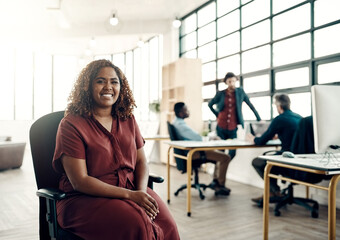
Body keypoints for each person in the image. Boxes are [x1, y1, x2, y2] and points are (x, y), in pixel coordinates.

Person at [52, 59, 180, 240]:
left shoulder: (128, 118)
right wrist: (130, 195)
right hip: (84, 198)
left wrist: (141, 193)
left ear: (121, 87)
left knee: (168, 225)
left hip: (132, 188)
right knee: (138, 225)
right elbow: (80, 181)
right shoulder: (71, 124)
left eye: (114, 82)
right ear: (87, 86)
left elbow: (142, 161)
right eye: (100, 81)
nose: (108, 87)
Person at [246, 94, 302, 204]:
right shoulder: (299, 118)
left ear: (279, 106)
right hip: (300, 159)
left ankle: (275, 191)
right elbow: (293, 136)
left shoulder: (279, 119)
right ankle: (271, 193)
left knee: (258, 162)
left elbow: (261, 141)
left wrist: (252, 138)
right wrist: (279, 135)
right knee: (270, 162)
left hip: (287, 159)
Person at [172, 102, 232, 195]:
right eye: (186, 110)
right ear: (180, 113)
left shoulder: (176, 122)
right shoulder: (181, 125)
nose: (188, 112)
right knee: (225, 157)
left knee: (219, 154)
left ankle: (216, 182)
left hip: (190, 151)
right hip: (194, 153)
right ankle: (220, 185)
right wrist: (210, 138)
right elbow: (198, 138)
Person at [208, 72, 261, 160]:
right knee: (220, 152)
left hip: (233, 127)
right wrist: (217, 114)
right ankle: (220, 171)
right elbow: (210, 104)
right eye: (229, 81)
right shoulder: (220, 94)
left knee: (233, 152)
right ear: (226, 82)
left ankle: (224, 165)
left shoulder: (240, 92)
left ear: (236, 80)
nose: (232, 83)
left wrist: (259, 119)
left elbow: (250, 105)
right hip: (221, 126)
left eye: (233, 81)